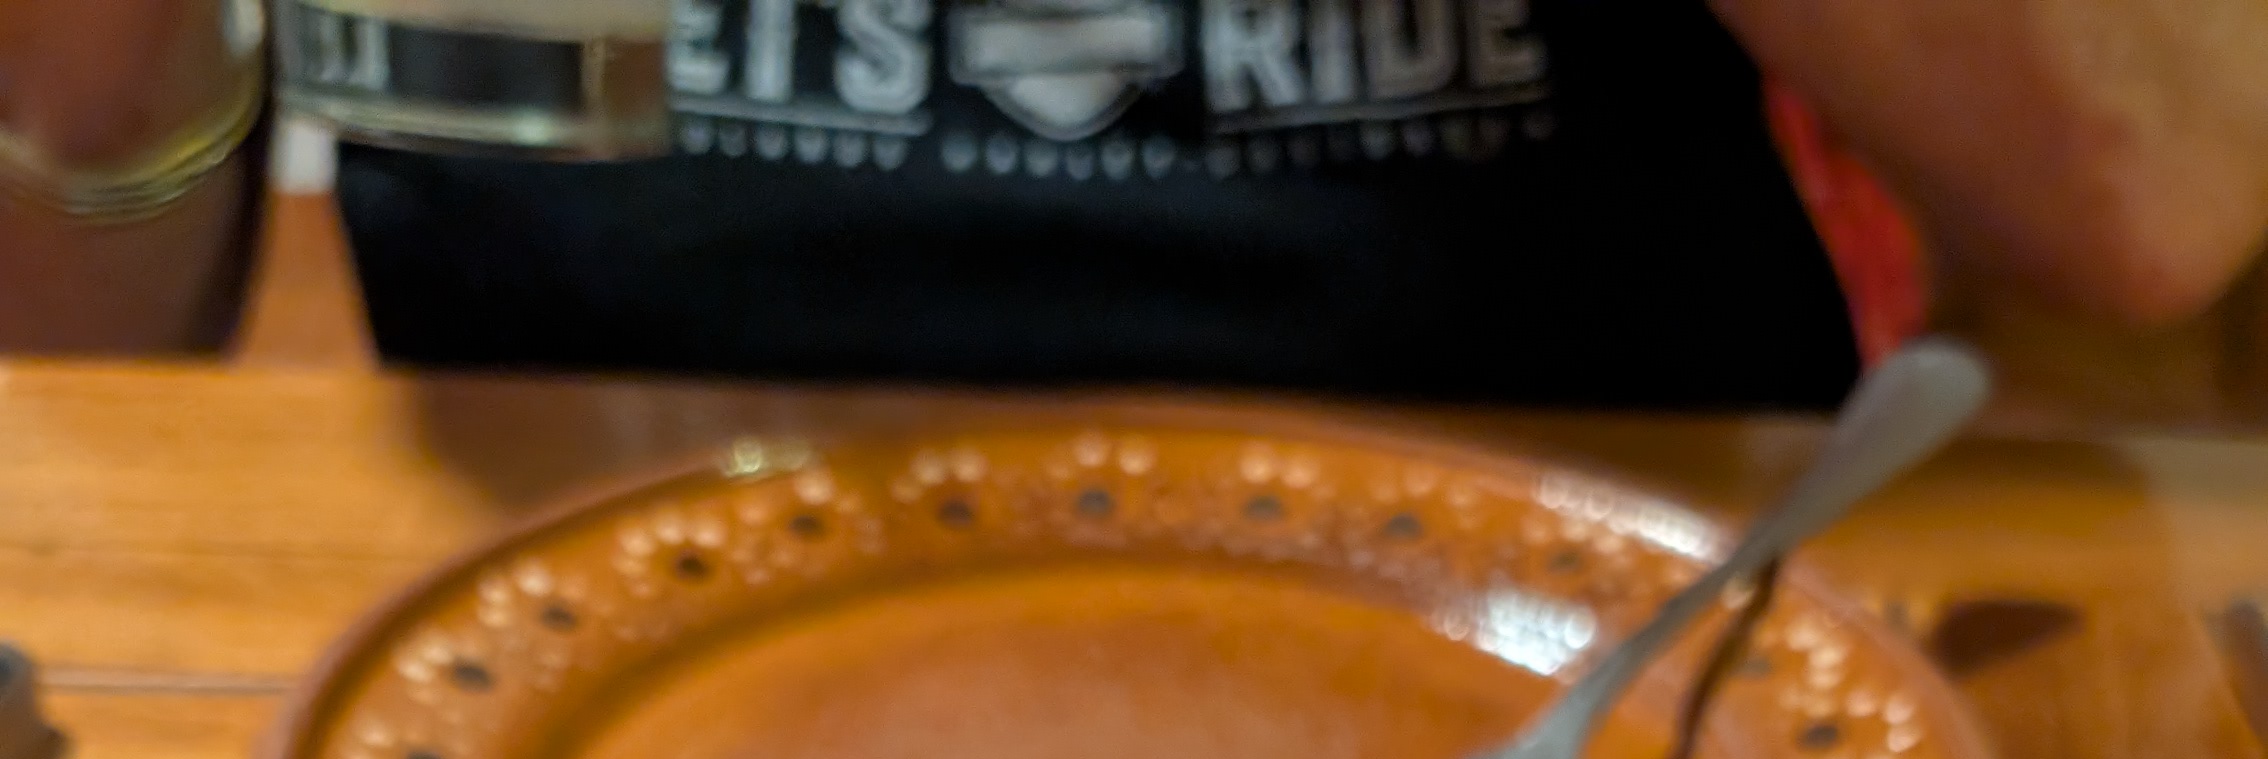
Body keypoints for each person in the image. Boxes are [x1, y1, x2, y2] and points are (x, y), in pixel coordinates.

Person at [3, 0, 2267, 398]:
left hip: (1583, 650)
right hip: (561, 629)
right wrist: (107, 74)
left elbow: (2149, 189)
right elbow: (78, 335)